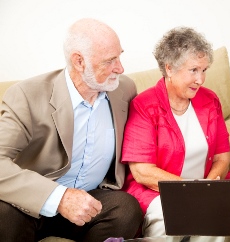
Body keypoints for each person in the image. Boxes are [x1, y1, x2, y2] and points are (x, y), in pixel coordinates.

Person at [0, 18, 143, 241]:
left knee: (126, 209)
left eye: (120, 56)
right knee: (3, 212)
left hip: (89, 202)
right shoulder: (27, 95)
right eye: (110, 60)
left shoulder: (124, 89)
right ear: (79, 61)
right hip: (31, 204)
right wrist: (60, 198)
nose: (120, 68)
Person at [121, 27, 230, 237]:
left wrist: (208, 187)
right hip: (160, 193)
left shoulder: (210, 100)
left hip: (205, 186)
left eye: (204, 70)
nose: (201, 79)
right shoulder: (144, 106)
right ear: (170, 68)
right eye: (193, 70)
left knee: (217, 219)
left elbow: (222, 155)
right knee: (174, 218)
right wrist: (190, 191)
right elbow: (142, 171)